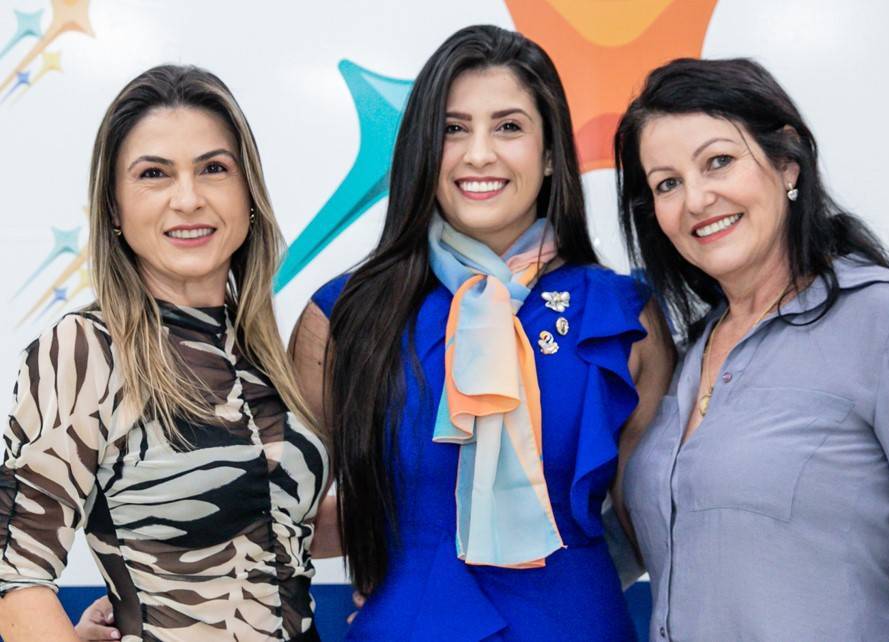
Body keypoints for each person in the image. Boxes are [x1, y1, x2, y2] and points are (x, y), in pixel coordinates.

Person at [289, 24, 674, 641]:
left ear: (550, 154)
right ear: (423, 149)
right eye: (453, 128)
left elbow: (654, 525)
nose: (478, 155)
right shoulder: (345, 316)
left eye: (509, 127)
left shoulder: (624, 317)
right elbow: (285, 518)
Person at [615, 57, 889, 641]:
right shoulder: (687, 355)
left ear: (787, 161)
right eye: (667, 183)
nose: (696, 199)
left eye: (719, 161)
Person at [0, 65, 329, 642]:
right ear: (114, 209)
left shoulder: (262, 354)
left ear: (249, 194)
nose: (188, 198)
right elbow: (15, 578)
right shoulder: (85, 350)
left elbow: (273, 523)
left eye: (214, 168)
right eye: (154, 174)